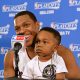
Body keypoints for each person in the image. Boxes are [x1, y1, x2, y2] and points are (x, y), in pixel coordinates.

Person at [4, 11, 80, 79]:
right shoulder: (11, 56)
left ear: (37, 25)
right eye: (17, 28)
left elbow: (76, 78)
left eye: (26, 25)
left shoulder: (61, 52)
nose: (22, 31)